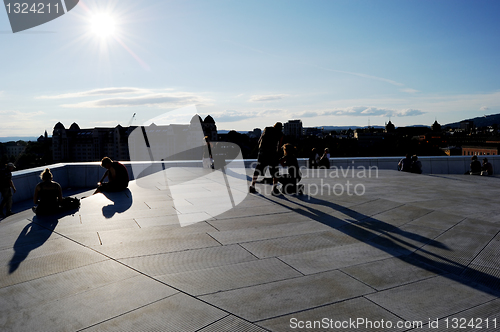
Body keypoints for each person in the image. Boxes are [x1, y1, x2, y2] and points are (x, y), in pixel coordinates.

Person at [249, 122, 284, 195]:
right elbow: (279, 146)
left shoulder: (267, 129)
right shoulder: (280, 134)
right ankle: (274, 189)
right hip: (272, 153)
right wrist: (278, 154)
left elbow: (260, 141)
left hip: (263, 152)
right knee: (275, 172)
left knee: (258, 169)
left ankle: (252, 185)